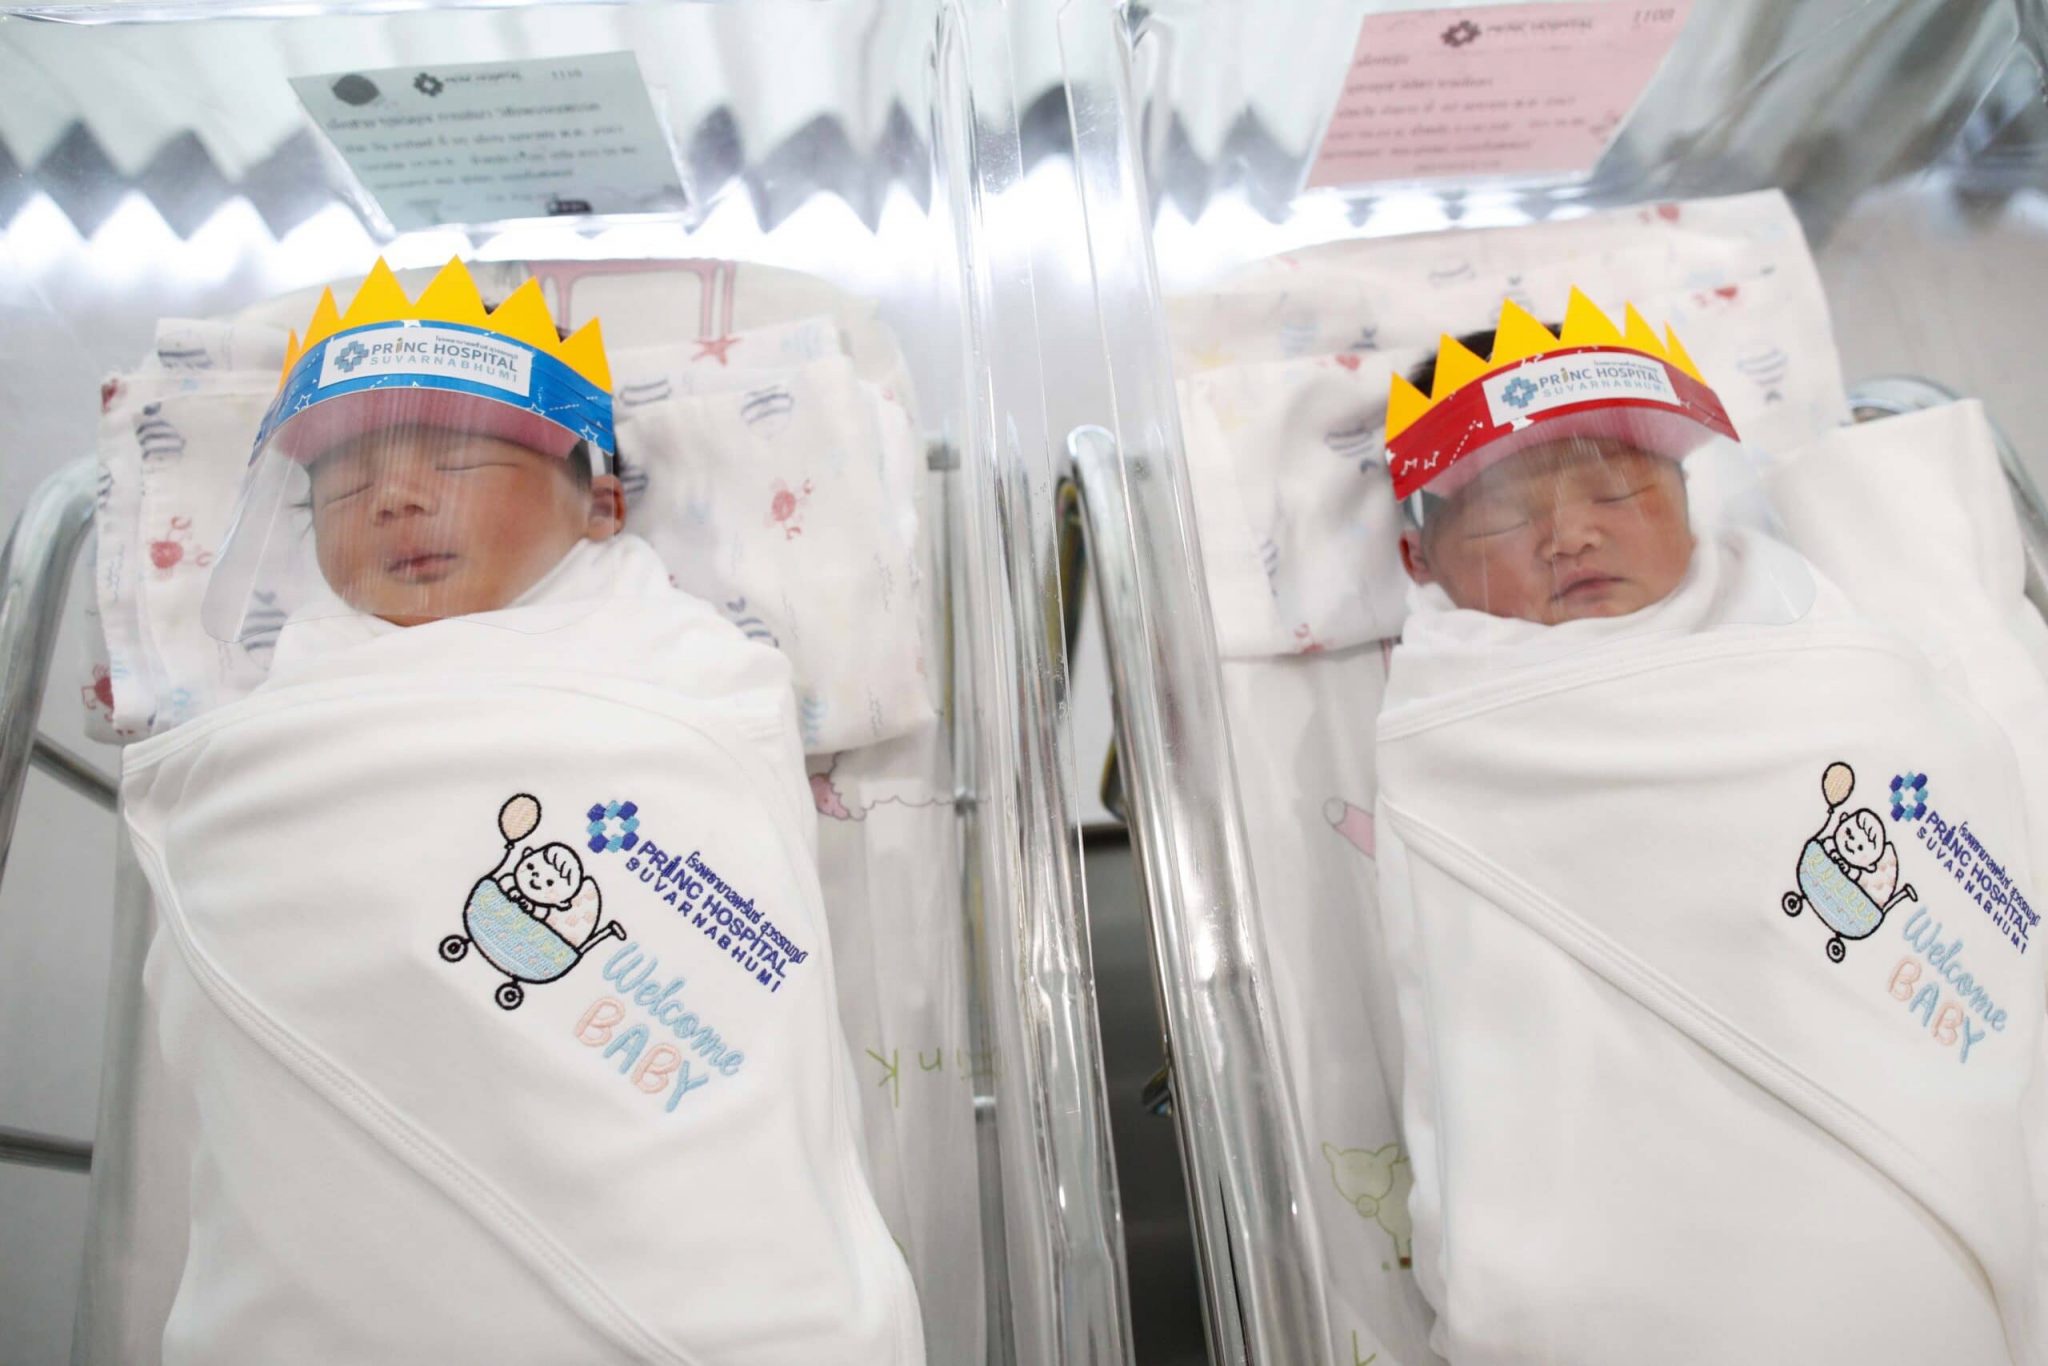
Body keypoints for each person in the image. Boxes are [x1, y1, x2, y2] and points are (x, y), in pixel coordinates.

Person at [125, 257, 925, 1365]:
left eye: (454, 460)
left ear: (600, 503)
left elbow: (720, 813)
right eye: (343, 493)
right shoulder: (292, 700)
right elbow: (241, 866)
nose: (395, 500)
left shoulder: (675, 661)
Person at [1369, 290, 2046, 1365]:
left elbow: (1943, 751)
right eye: (1501, 518)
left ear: (1689, 494)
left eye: (1615, 489)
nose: (1570, 534)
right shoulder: (1464, 717)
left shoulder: (1798, 619)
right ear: (1420, 564)